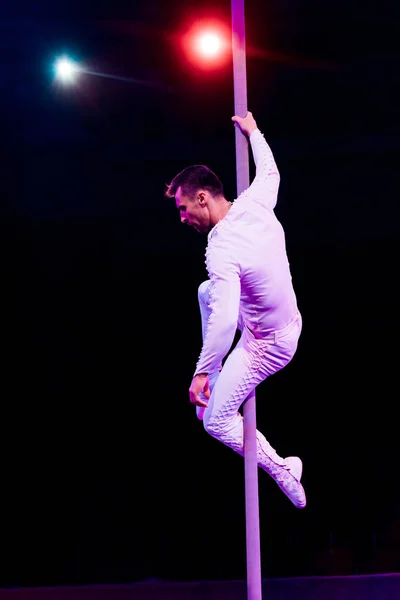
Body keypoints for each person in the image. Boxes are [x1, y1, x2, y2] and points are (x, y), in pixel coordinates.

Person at [165, 111, 306, 508]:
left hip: (268, 344)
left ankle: (282, 468)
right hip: (279, 320)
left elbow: (227, 321)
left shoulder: (220, 249)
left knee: (213, 421)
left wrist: (203, 372)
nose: (182, 217)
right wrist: (255, 132)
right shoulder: (255, 202)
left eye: (182, 207)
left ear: (202, 197)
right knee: (205, 291)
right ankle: (215, 378)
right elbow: (271, 173)